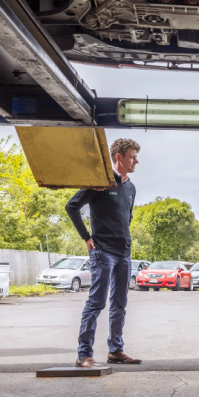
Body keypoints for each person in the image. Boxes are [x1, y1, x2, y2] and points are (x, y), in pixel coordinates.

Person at [65, 138, 143, 368]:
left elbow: (127, 218)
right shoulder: (100, 182)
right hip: (103, 252)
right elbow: (72, 206)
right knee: (96, 303)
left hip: (124, 254)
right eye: (132, 156)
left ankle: (116, 350)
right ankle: (84, 354)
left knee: (120, 304)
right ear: (118, 157)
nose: (136, 160)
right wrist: (86, 238)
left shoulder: (131, 187)